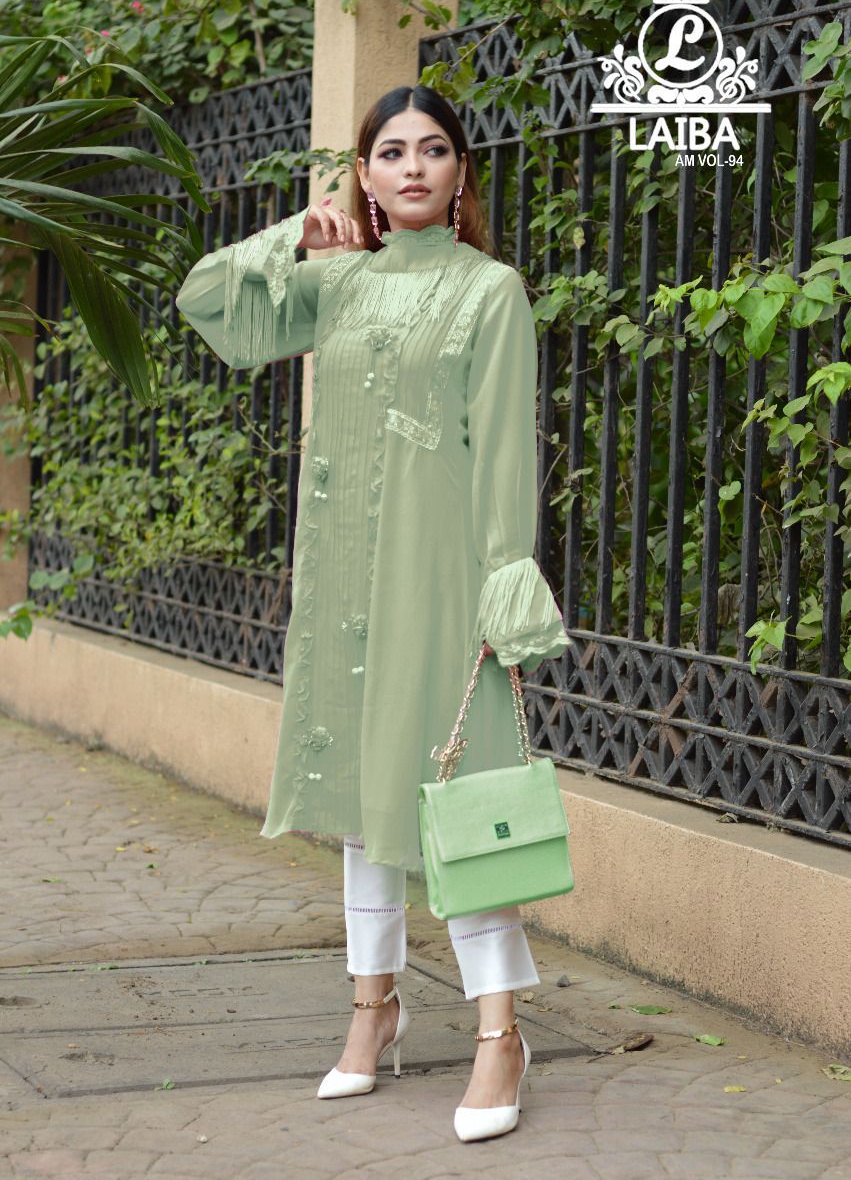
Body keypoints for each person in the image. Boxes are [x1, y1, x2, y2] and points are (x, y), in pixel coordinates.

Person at [175, 84, 570, 1142]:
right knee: (360, 790)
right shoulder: (338, 282)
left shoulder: (491, 290)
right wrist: (291, 238)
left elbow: (504, 447)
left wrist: (503, 580)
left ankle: (499, 1034)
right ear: (363, 174)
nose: (411, 168)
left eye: (432, 150)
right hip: (344, 573)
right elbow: (207, 302)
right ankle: (371, 1009)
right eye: (390, 152)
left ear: (459, 172)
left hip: (440, 576)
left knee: (458, 794)